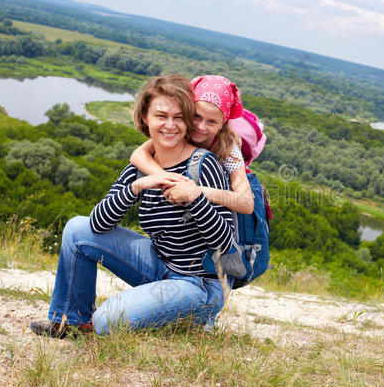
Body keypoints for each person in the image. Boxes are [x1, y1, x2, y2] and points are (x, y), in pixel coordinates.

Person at [30, 75, 235, 338]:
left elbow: (225, 242)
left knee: (107, 322)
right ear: (145, 118)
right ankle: (71, 322)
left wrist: (195, 197)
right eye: (161, 116)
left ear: (186, 122)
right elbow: (98, 224)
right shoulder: (139, 168)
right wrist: (137, 187)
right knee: (76, 229)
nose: (169, 125)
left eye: (178, 117)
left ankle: (195, 318)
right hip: (159, 265)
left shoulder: (202, 164)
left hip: (200, 284)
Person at [130, 75, 255, 215]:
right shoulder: (179, 132)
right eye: (197, 116)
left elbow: (247, 203)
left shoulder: (228, 147)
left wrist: (196, 191)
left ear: (222, 124)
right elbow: (138, 155)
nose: (201, 127)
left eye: (211, 121)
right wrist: (168, 180)